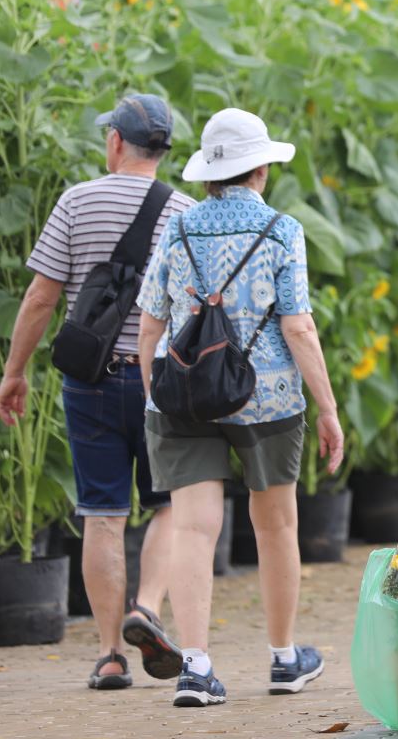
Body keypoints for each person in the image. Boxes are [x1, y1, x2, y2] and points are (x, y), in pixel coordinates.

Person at [135, 107, 344, 708]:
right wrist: (326, 408)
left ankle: (196, 668)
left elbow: (150, 321)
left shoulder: (177, 228)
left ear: (207, 174)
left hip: (185, 398)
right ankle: (283, 659)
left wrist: (155, 390)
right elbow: (298, 327)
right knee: (275, 524)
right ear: (261, 170)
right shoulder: (281, 230)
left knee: (195, 530)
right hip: (268, 395)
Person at [0, 93, 192, 691]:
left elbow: (40, 298)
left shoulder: (76, 202)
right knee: (170, 505)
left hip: (92, 382)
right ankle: (148, 607)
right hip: (161, 380)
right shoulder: (183, 211)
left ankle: (110, 655)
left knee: (102, 514)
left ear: (114, 142)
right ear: (163, 151)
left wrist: (14, 372)